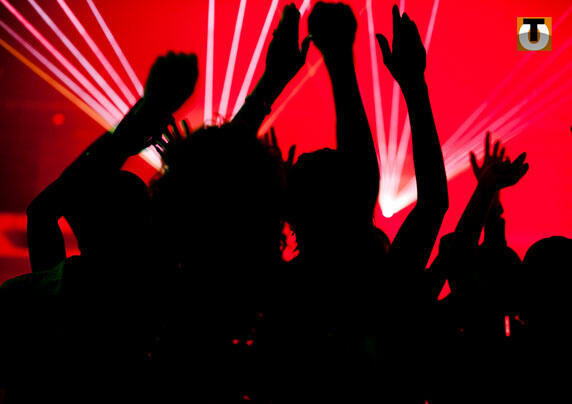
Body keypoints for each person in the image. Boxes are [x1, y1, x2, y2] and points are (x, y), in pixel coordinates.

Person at [0, 52, 198, 404]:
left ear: (80, 221)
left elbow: (42, 211)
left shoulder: (35, 294)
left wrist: (138, 120)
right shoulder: (162, 304)